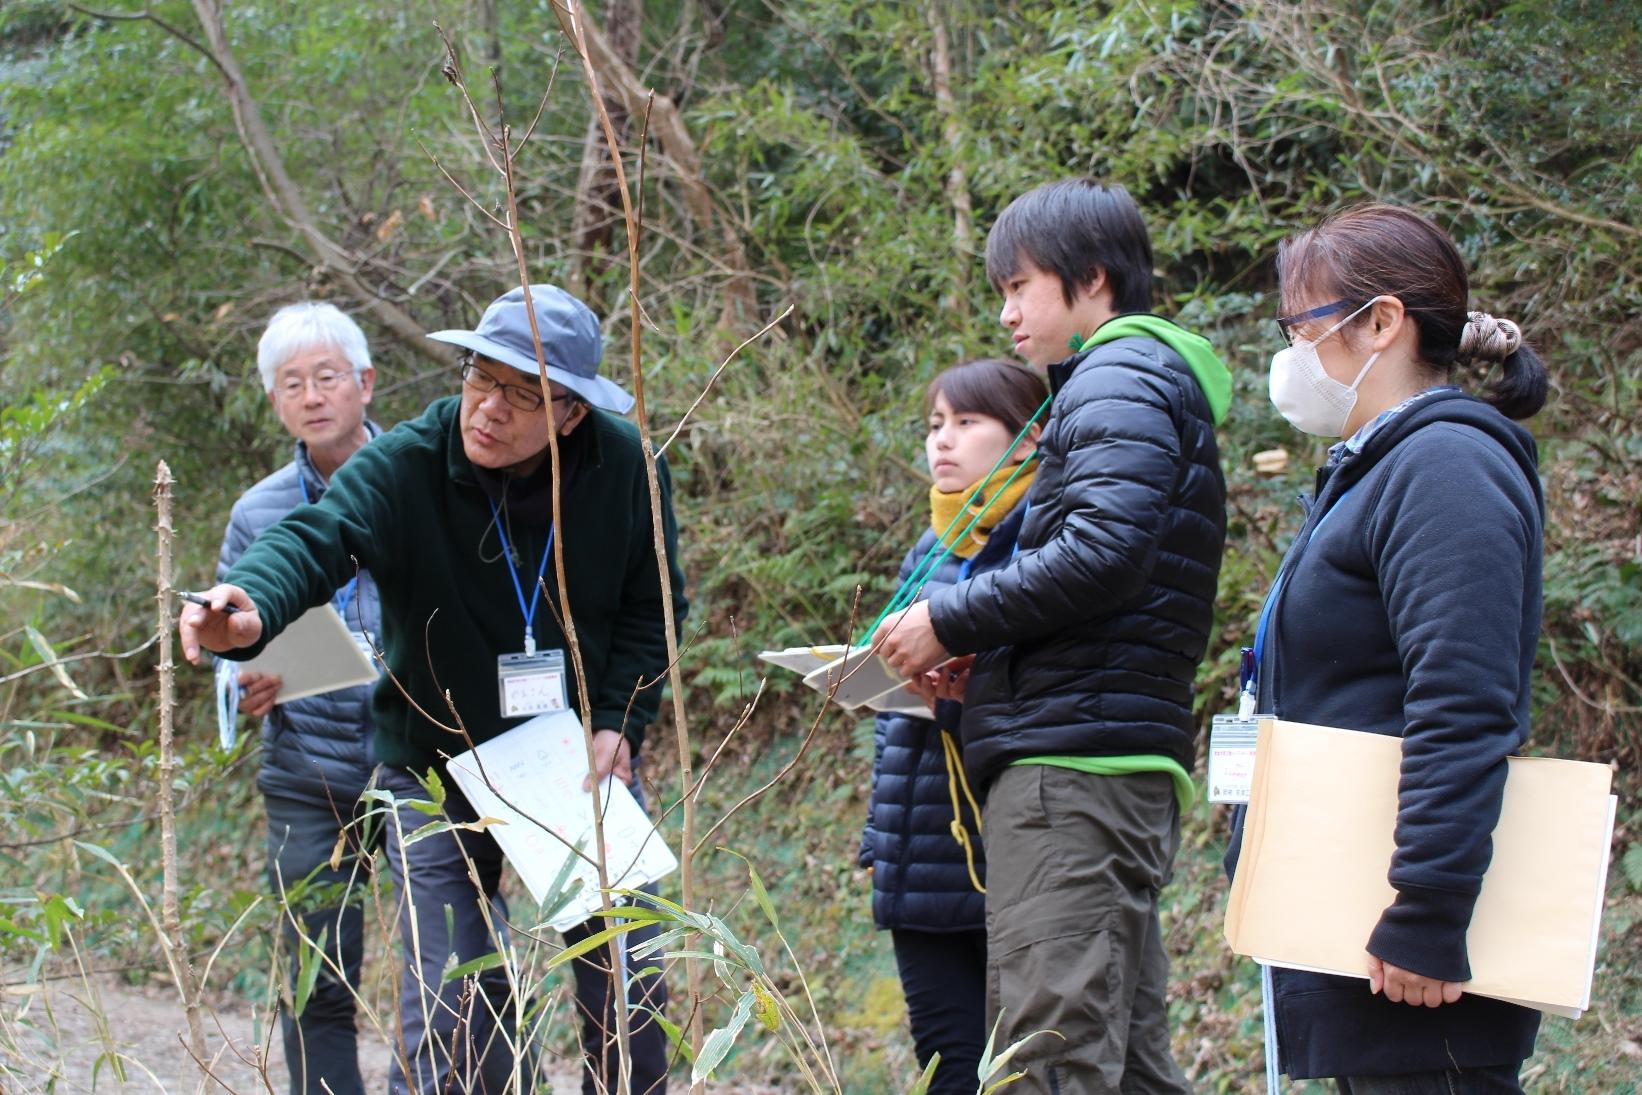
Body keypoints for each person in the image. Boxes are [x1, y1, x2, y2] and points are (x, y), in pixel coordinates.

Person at [180, 285, 684, 1095]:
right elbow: (316, 538)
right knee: (453, 999)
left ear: (571, 414)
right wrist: (247, 609)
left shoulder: (627, 468)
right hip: (434, 764)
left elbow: (651, 611)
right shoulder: (408, 462)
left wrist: (622, 723)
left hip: (573, 758)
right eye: (481, 377)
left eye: (524, 395)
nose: (489, 407)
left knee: (632, 980)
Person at [874, 178, 1231, 1094]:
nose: (1007, 314)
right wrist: (985, 666)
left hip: (1074, 772)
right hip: (1103, 755)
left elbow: (1101, 551)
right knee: (1132, 1059)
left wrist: (949, 616)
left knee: (1048, 1055)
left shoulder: (1119, 374)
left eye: (1019, 287)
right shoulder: (1139, 378)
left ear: (1092, 278)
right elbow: (1109, 576)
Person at [1231, 202, 1549, 1092]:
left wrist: (1427, 908)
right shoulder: (1378, 467)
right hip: (1352, 913)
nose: (1290, 357)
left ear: (1381, 323)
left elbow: (1463, 699)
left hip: (1404, 951)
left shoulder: (1446, 466)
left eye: (1301, 327)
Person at [861, 359, 1046, 1094]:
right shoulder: (927, 551)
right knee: (945, 1066)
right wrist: (882, 838)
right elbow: (893, 733)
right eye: (936, 423)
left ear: (1028, 440)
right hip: (920, 859)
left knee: (1027, 1070)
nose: (943, 441)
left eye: (968, 422)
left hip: (1013, 858)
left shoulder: (1048, 548)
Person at [218, 301, 384, 1095]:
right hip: (307, 771)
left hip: (424, 760)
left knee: (459, 968)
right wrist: (240, 681)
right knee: (318, 978)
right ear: (276, 401)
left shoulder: (425, 480)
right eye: (293, 384)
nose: (313, 395)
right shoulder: (257, 512)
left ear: (365, 382)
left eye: (327, 377)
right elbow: (231, 635)